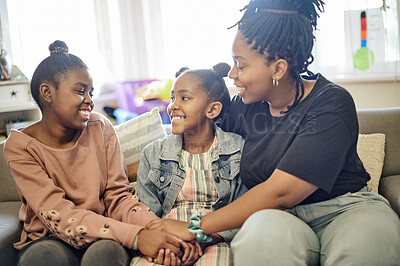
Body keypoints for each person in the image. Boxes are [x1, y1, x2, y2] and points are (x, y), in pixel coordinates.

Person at [145, 1, 400, 265]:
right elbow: (195, 128)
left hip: (345, 210)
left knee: (368, 246)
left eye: (241, 66)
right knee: (261, 238)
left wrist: (194, 227)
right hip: (278, 218)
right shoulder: (243, 109)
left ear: (277, 69)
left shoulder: (331, 103)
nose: (232, 74)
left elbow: (283, 192)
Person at [3, 40, 192, 266]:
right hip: (49, 239)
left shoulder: (101, 128)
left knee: (104, 255)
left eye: (91, 92)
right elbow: (58, 214)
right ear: (47, 93)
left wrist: (157, 230)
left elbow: (119, 197)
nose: (90, 101)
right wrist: (138, 237)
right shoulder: (20, 146)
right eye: (80, 91)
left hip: (105, 234)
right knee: (43, 257)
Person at [131, 63, 247, 266]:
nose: (173, 105)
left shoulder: (237, 149)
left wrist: (204, 240)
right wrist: (170, 244)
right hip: (166, 240)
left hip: (214, 240)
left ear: (212, 109)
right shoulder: (153, 154)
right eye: (173, 97)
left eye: (184, 98)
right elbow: (146, 212)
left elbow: (244, 210)